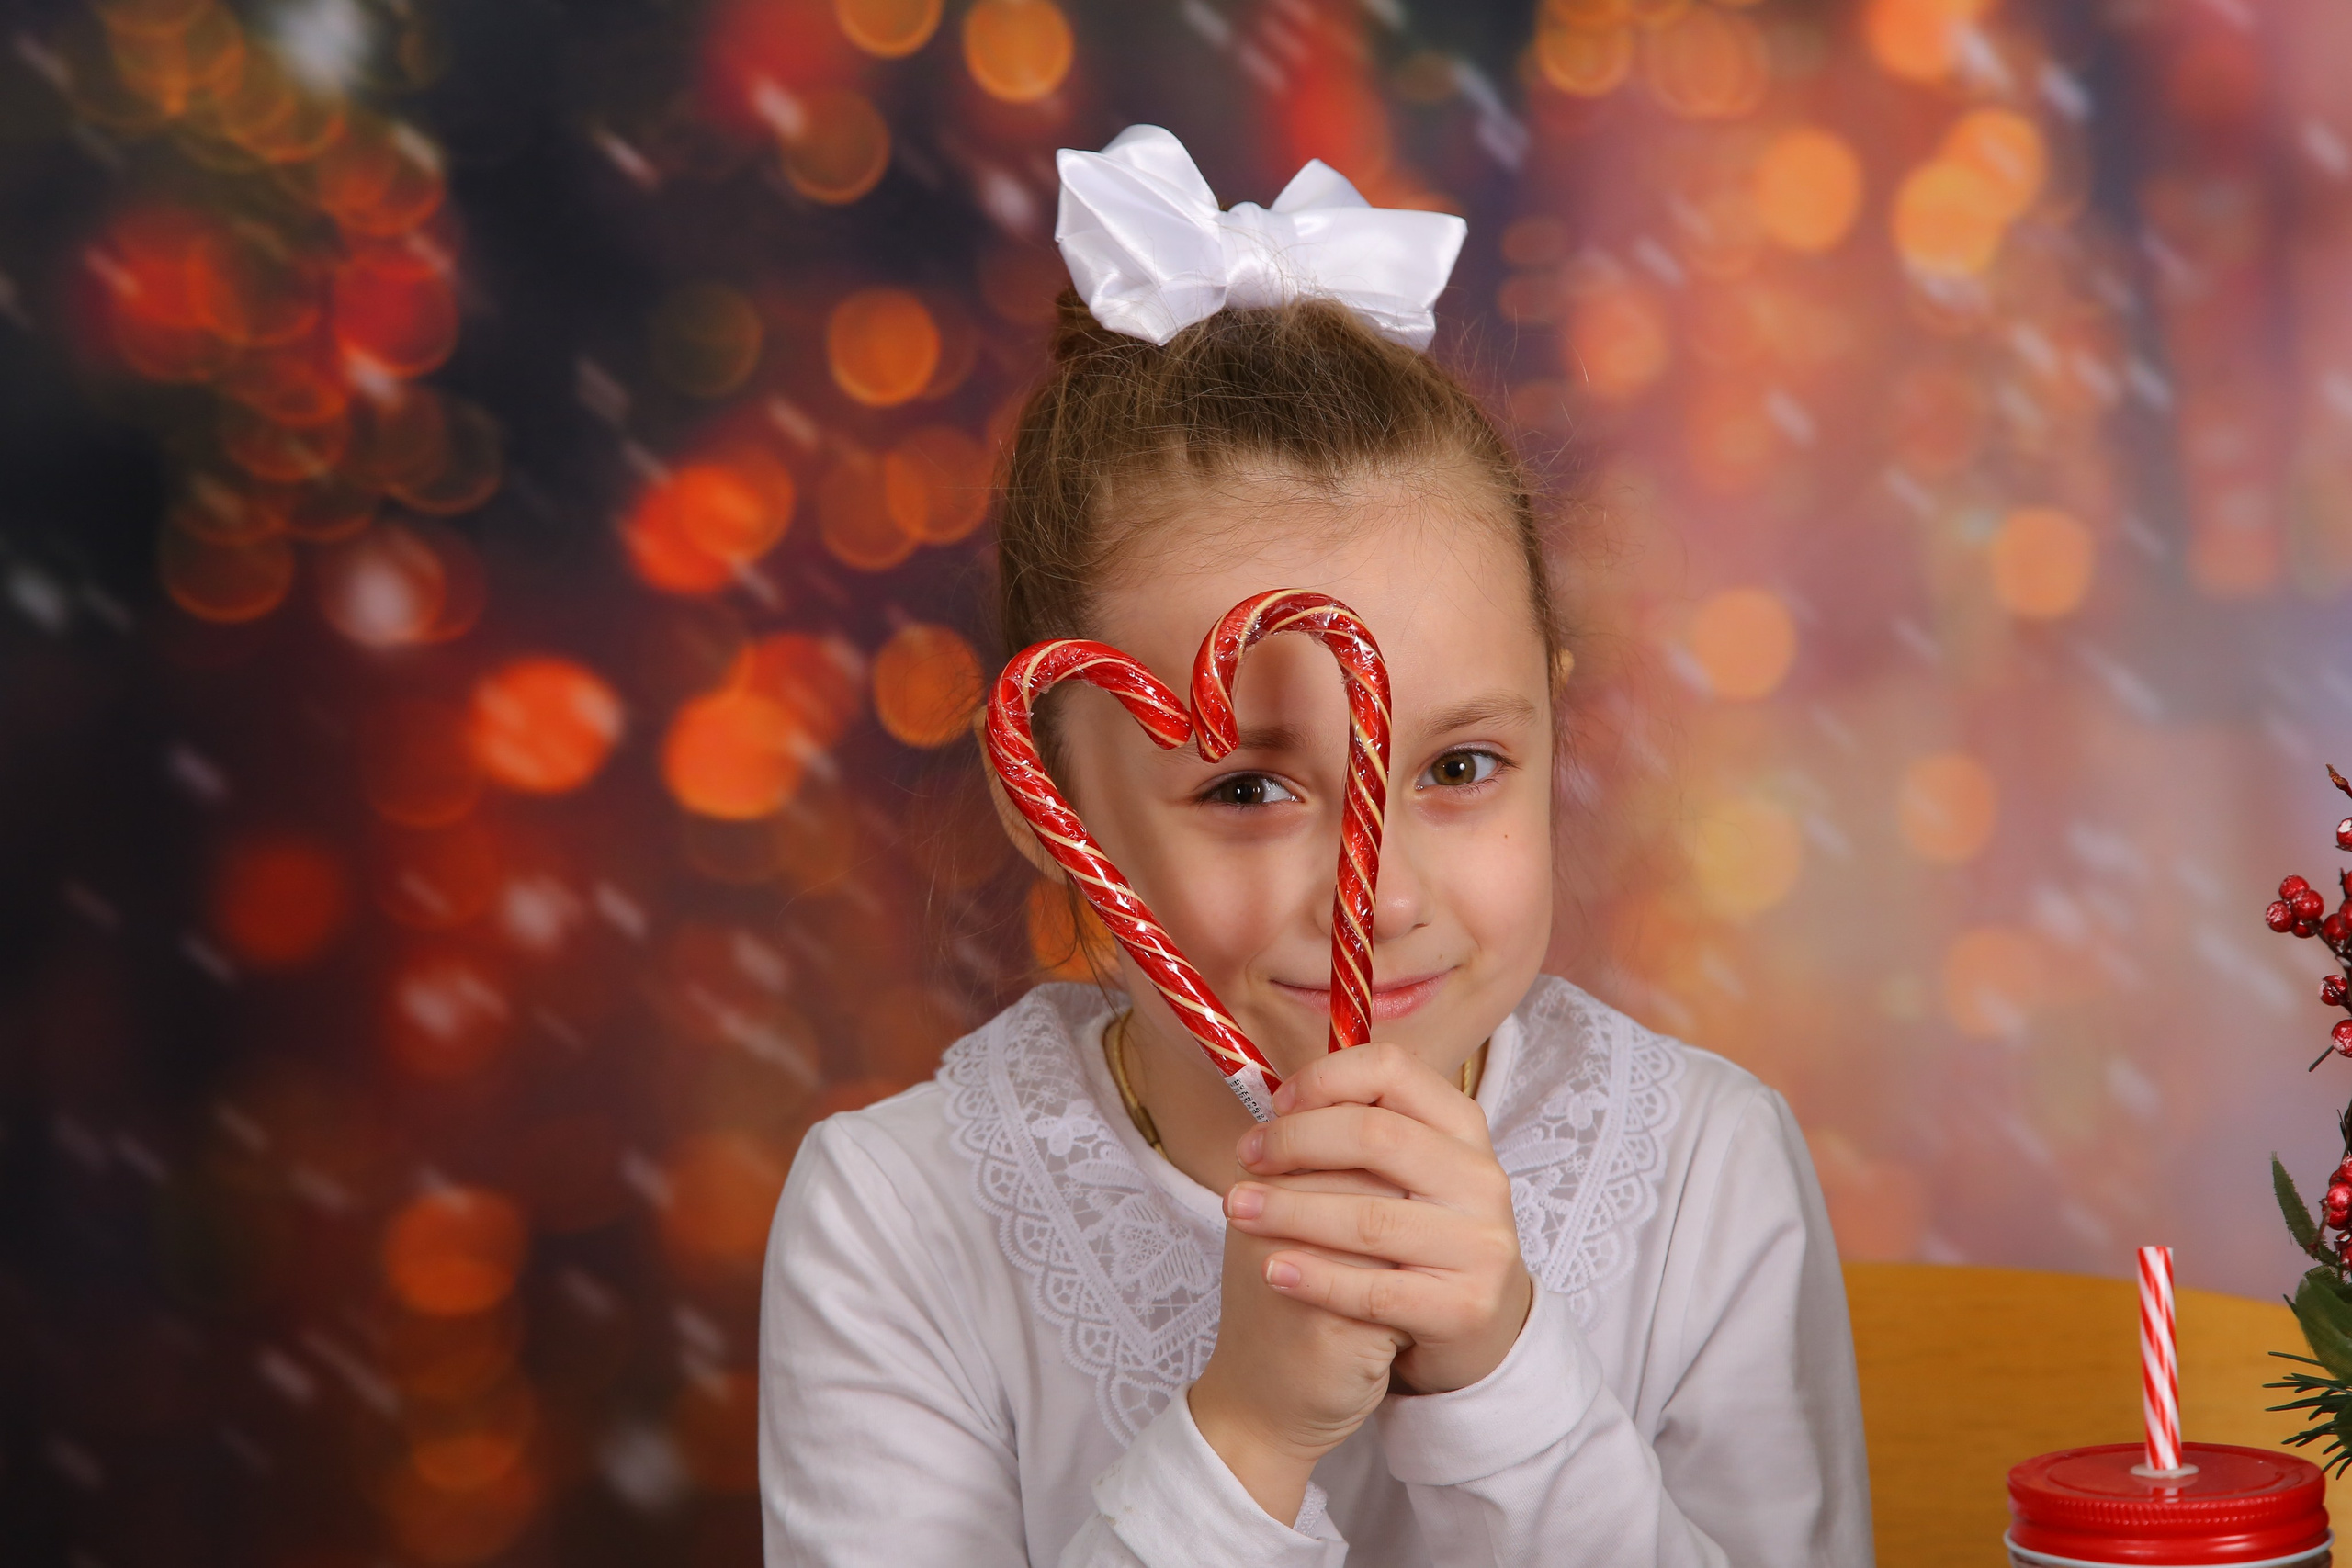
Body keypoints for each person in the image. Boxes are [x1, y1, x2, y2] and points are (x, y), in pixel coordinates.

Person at [759, 125, 1872, 1566]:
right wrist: (1245, 1438)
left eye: (1461, 767)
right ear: (1047, 798)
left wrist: (1504, 1378)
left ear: (1556, 728)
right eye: (1248, 791)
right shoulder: (899, 1222)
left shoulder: (1706, 1174)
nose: (1382, 893)